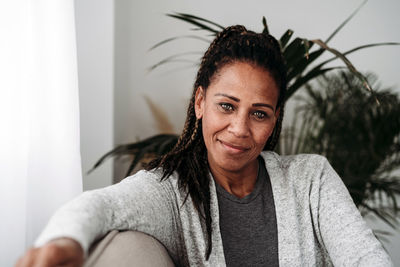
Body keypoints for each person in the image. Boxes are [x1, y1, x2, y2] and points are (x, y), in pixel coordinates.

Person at [17, 25, 392, 267]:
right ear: (200, 103)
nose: (239, 129)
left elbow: (364, 257)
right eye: (226, 106)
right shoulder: (172, 191)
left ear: (275, 118)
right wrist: (63, 243)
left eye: (259, 114)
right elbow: (102, 206)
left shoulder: (311, 179)